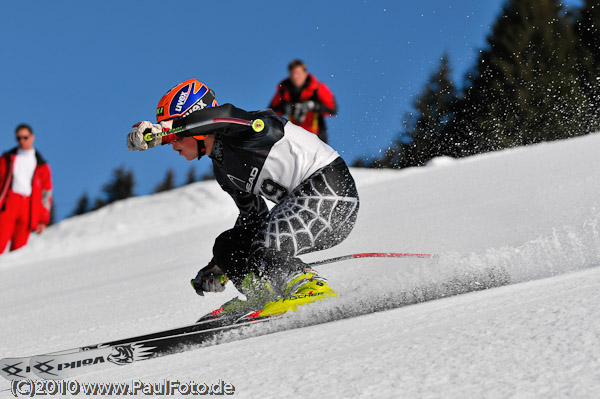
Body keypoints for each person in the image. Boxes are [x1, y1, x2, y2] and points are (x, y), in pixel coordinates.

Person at [127, 78, 358, 318]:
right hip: (302, 211)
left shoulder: (250, 129)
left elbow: (223, 115)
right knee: (228, 246)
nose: (172, 144)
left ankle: (311, 290)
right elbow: (254, 217)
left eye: (175, 135)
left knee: (267, 243)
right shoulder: (223, 169)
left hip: (332, 195)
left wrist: (165, 131)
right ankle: (264, 295)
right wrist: (221, 265)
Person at [0, 124, 52, 253]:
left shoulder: (41, 165)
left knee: (19, 250)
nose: (22, 141)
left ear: (32, 137)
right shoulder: (7, 159)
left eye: (25, 137)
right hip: (9, 204)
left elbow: (47, 193)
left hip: (29, 208)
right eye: (18, 138)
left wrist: (43, 219)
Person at [269, 59, 337, 144]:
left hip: (317, 138)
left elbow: (332, 109)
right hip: (295, 139)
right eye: (293, 73)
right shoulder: (284, 91)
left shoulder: (318, 88)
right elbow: (271, 114)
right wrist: (286, 108)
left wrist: (313, 106)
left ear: (305, 74)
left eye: (298, 73)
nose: (296, 76)